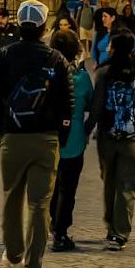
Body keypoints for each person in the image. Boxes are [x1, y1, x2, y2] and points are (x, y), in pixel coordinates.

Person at [0, 0, 74, 268]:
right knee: (40, 204)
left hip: (13, 134)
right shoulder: (56, 59)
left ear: (18, 24)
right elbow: (67, 103)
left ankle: (13, 255)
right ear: (44, 27)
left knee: (12, 196)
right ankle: (33, 267)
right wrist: (61, 136)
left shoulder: (3, 55)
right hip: (45, 137)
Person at [90, 32, 135, 251]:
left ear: (112, 49)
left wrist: (87, 128)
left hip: (107, 136)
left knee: (109, 181)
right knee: (127, 185)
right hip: (132, 137)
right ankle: (121, 233)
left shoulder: (103, 73)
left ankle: (110, 225)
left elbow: (97, 107)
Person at [48, 29, 93, 253]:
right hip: (73, 138)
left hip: (48, 136)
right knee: (68, 188)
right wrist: (87, 128)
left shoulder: (47, 75)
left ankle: (51, 221)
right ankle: (61, 232)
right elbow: (92, 104)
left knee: (51, 186)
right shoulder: (81, 78)